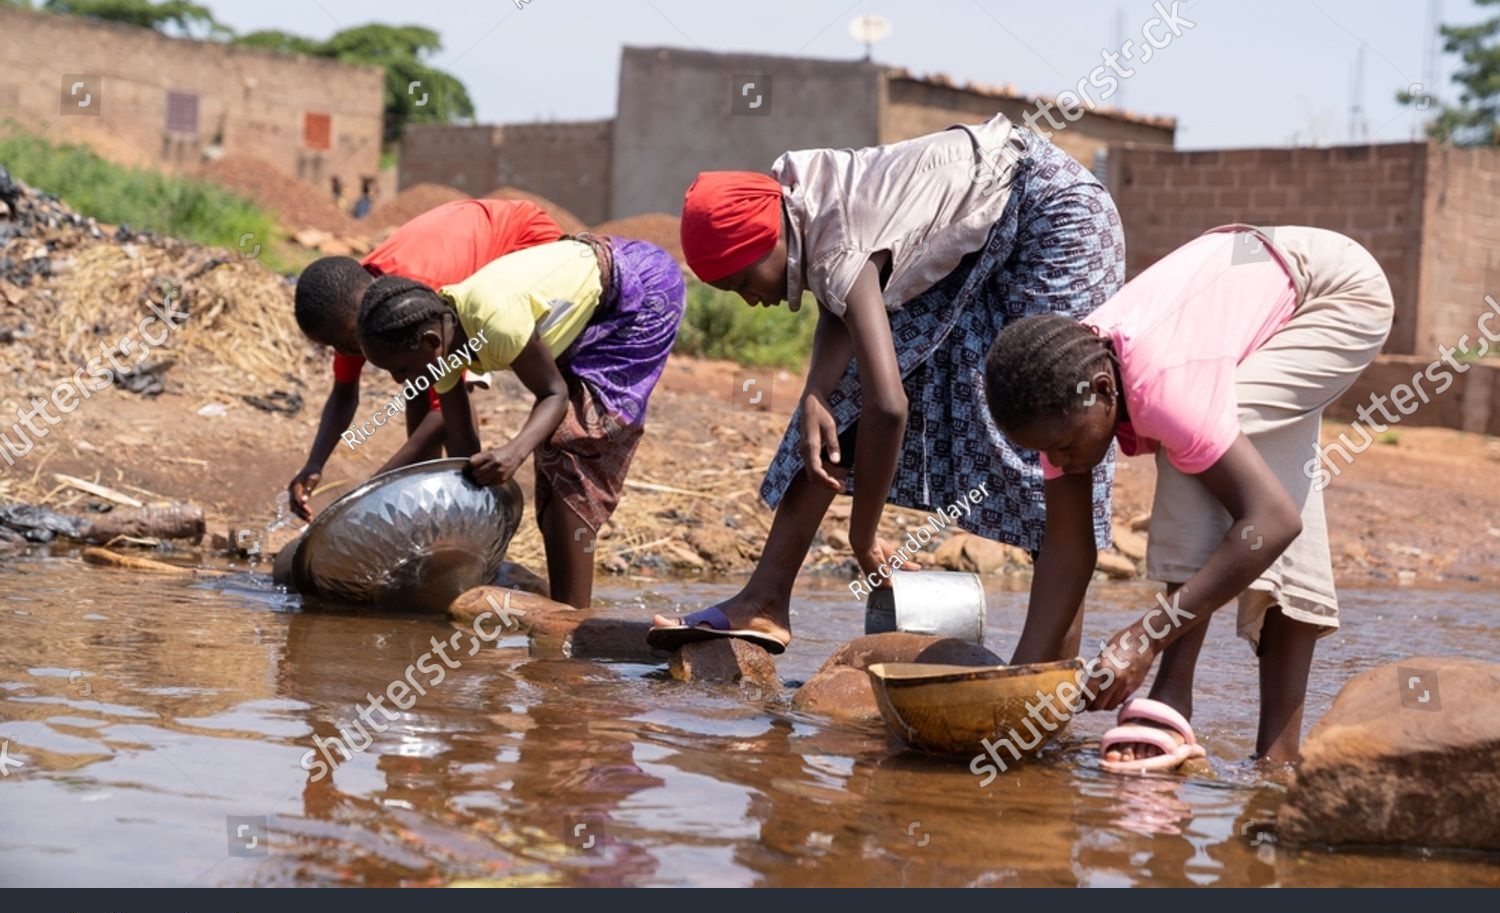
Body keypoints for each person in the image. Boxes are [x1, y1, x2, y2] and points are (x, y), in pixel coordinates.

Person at [649, 113, 1124, 655]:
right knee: (833, 405)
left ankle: (1045, 671)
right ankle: (763, 602)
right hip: (987, 216)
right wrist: (815, 392)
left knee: (1049, 409)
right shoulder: (799, 202)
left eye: (741, 280)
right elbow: (839, 295)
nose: (747, 298)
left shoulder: (831, 240)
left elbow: (889, 407)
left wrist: (863, 536)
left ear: (770, 238)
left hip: (1057, 215)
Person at [983, 224, 1393, 770]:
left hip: (1336, 292)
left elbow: (1271, 522)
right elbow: (1067, 548)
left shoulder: (1161, 388)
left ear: (1106, 392)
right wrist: (1012, 693)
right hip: (1254, 276)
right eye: (1044, 454)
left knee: (1204, 453)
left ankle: (1172, 695)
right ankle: (1278, 755)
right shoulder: (1058, 398)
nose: (1057, 463)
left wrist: (1144, 638)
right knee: (1260, 471)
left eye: (1061, 448)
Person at [356, 233, 684, 607]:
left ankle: (571, 618)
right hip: (592, 299)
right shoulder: (445, 342)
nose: (401, 382)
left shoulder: (494, 320)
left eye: (400, 369)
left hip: (643, 288)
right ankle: (562, 608)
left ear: (431, 342)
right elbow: (464, 445)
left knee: (571, 445)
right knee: (553, 449)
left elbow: (554, 395)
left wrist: (514, 453)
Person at [287, 198, 563, 520]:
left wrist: (369, 490)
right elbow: (344, 393)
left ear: (362, 319)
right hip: (461, 233)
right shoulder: (348, 311)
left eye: (348, 343)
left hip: (525, 241)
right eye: (336, 346)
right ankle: (431, 504)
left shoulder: (415, 304)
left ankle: (474, 510)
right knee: (418, 384)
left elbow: (443, 412)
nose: (346, 353)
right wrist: (314, 464)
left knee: (466, 384)